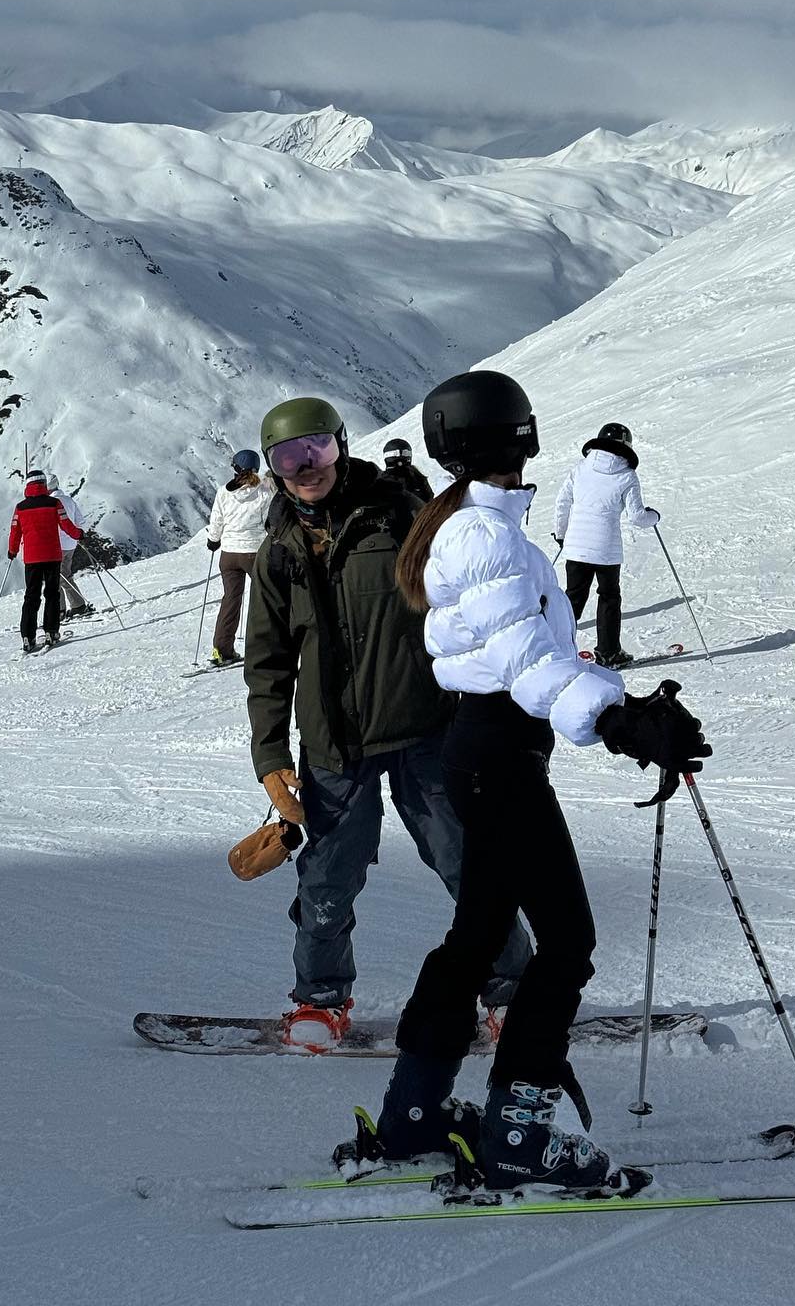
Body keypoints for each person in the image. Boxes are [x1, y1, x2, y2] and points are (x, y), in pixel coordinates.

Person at [369, 371, 709, 1188]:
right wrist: (620, 721)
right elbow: (528, 664)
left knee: (479, 937)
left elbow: (529, 656)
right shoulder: (482, 535)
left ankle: (413, 1116)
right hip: (498, 757)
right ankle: (518, 1136)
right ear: (520, 435)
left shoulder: (473, 524)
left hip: (484, 752)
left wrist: (620, 704)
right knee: (567, 943)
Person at [244, 395, 531, 1050]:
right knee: (327, 877)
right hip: (333, 745)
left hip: (424, 728)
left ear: (342, 446)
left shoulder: (400, 517)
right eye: (288, 455)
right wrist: (270, 757)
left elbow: (472, 593)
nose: (305, 465)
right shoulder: (278, 554)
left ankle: (513, 989)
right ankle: (320, 1001)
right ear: (274, 468)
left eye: (316, 447)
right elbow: (266, 663)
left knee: (467, 860)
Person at [552, 420, 660, 668]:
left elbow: (562, 502)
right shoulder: (627, 475)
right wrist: (654, 517)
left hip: (576, 546)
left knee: (573, 599)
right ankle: (609, 653)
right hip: (606, 550)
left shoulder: (580, 468)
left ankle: (555, 648)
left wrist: (562, 534)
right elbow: (637, 517)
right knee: (609, 597)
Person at [206, 449, 275, 665]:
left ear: (235, 468)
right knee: (266, 598)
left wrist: (213, 541)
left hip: (229, 554)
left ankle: (222, 650)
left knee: (230, 600)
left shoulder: (223, 492)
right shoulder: (265, 491)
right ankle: (266, 646)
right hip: (254, 553)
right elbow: (269, 522)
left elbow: (217, 519)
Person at [7, 470, 84, 652]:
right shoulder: (54, 503)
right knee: (52, 594)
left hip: (32, 558)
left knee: (31, 596)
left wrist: (12, 550)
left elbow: (15, 531)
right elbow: (66, 526)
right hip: (52, 555)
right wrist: (79, 534)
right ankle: (51, 632)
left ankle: (28, 636)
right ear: (43, 484)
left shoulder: (21, 507)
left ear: (28, 485)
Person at [47, 469, 93, 619]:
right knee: (63, 575)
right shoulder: (68, 499)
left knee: (58, 577)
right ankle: (71, 607)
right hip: (71, 544)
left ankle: (69, 608)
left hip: (57, 545)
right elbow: (80, 521)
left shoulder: (52, 503)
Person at [382, 436, 434, 502]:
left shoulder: (416, 476)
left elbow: (429, 497)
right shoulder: (384, 481)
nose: (404, 457)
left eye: (406, 453)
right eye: (404, 453)